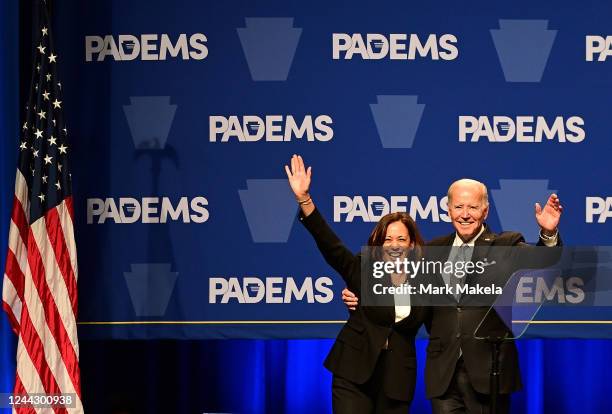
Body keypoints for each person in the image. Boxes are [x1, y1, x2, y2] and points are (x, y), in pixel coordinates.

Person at [342, 178, 563, 414]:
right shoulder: (431, 251)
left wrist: (548, 235)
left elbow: (543, 261)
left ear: (485, 210)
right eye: (458, 207)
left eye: (473, 207)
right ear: (448, 210)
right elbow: (400, 284)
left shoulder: (504, 245)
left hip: (489, 372)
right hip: (443, 373)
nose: (465, 214)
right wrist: (364, 295)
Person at [285, 154, 428, 414]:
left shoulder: (426, 279)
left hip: (396, 379)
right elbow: (333, 248)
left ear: (412, 244)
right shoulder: (366, 270)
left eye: (401, 239)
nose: (394, 244)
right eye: (387, 239)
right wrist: (305, 200)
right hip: (354, 373)